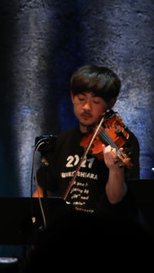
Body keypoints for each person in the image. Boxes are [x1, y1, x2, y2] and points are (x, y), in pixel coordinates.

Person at [33, 65, 140, 215]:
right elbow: (43, 190)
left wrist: (115, 170)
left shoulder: (124, 141)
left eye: (95, 101)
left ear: (111, 103)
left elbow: (115, 198)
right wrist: (32, 217)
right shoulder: (62, 141)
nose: (86, 107)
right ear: (72, 97)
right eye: (81, 99)